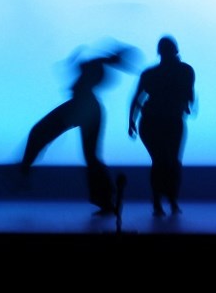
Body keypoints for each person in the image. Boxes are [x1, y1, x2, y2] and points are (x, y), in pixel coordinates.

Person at [21, 42, 138, 215]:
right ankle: (106, 199)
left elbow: (87, 64)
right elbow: (88, 64)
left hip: (82, 107)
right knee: (89, 155)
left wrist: (101, 55)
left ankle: (24, 169)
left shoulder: (97, 66)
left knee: (41, 132)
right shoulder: (99, 66)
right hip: (86, 107)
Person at [128, 36, 195, 216]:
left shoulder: (151, 73)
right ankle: (167, 201)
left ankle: (162, 202)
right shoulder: (186, 71)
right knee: (169, 162)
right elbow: (190, 95)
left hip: (154, 121)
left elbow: (137, 98)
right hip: (167, 120)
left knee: (163, 162)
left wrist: (131, 121)